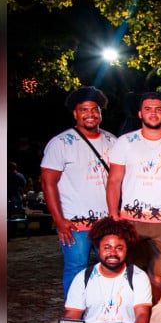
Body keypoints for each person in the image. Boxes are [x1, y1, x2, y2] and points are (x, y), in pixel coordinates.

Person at [106, 92, 161, 302]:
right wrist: (114, 216)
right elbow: (114, 180)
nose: (153, 113)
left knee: (158, 277)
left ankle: (153, 315)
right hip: (131, 222)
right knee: (129, 273)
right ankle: (129, 313)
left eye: (157, 109)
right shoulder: (125, 142)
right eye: (148, 109)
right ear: (140, 113)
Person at [40, 87, 119, 299]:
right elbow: (48, 183)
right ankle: (74, 313)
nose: (90, 114)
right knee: (76, 268)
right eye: (84, 110)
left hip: (106, 222)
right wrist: (59, 220)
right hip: (75, 224)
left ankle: (107, 311)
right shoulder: (60, 143)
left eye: (95, 109)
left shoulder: (112, 140)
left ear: (101, 112)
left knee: (111, 266)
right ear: (75, 113)